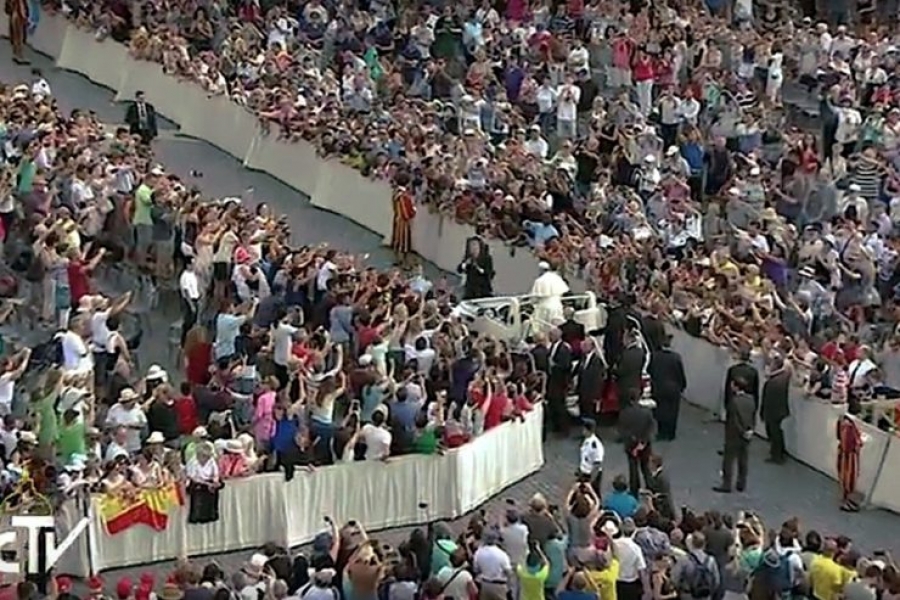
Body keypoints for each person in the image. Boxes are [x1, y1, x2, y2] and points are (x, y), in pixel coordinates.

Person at [714, 377, 756, 494]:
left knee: (728, 460)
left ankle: (727, 484)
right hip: (747, 433)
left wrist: (741, 431)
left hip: (734, 435)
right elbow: (752, 416)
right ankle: (741, 483)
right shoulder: (751, 400)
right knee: (743, 459)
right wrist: (750, 430)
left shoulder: (734, 402)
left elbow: (734, 420)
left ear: (736, 387)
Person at [648, 335, 687, 441]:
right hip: (673, 388)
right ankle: (670, 433)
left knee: (660, 410)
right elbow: (680, 373)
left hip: (659, 387)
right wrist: (683, 386)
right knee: (673, 411)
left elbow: (650, 370)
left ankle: (661, 432)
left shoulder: (654, 356)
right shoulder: (676, 358)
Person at [618, 401, 655, 496]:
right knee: (646, 467)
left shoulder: (624, 413)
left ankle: (634, 489)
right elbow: (651, 428)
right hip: (645, 446)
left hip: (631, 445)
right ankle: (650, 487)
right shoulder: (646, 412)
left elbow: (622, 430)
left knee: (633, 468)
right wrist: (642, 441)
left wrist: (633, 438)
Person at [760, 356, 791, 465]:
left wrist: (762, 412)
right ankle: (780, 451)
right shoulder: (784, 377)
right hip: (781, 410)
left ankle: (776, 455)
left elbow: (766, 399)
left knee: (773, 432)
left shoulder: (771, 382)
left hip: (772, 411)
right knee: (777, 431)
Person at [836, 413, 863, 512]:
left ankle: (846, 499)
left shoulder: (842, 421)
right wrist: (859, 443)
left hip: (843, 454)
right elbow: (850, 444)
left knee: (844, 477)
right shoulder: (850, 426)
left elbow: (839, 437)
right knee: (849, 478)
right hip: (849, 455)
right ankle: (847, 501)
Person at [390, 175, 416, 266]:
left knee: (397, 239)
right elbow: (405, 209)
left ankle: (398, 259)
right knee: (403, 241)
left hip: (397, 217)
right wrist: (412, 212)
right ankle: (403, 261)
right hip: (403, 221)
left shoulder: (396, 192)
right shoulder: (403, 195)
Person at [577, 418, 604, 496]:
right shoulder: (586, 440)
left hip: (590, 475)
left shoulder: (595, 445)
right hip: (583, 473)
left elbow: (597, 464)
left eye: (584, 428)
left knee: (593, 496)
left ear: (588, 430)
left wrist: (591, 481)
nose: (582, 430)